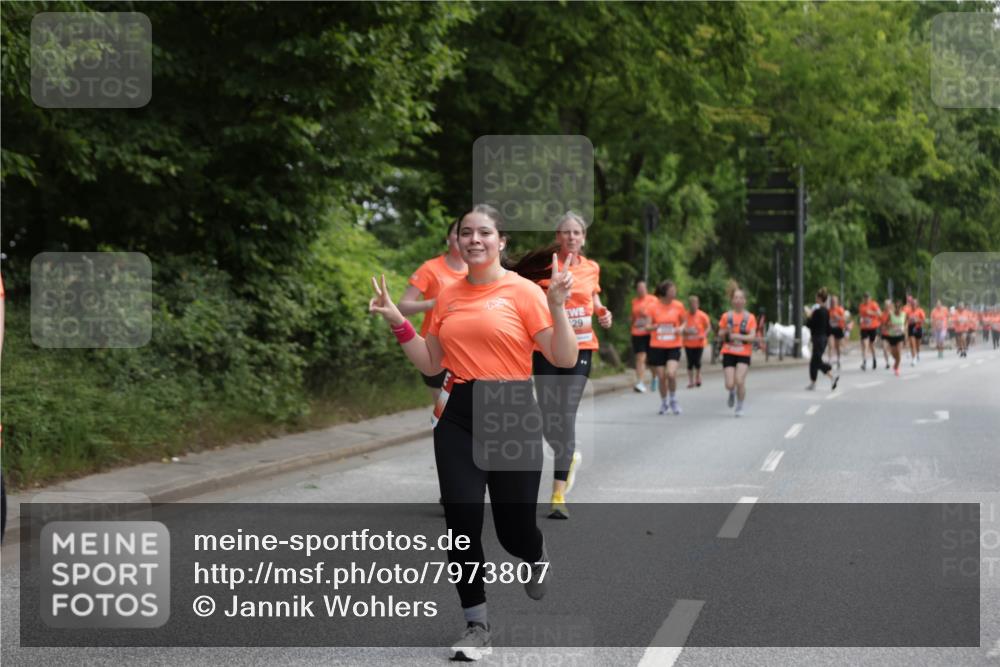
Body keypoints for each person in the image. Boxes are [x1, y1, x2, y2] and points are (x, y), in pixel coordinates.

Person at [368, 204, 579, 661]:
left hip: (511, 412)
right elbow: (430, 362)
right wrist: (397, 321)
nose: (475, 239)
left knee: (512, 532)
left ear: (501, 241)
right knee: (461, 524)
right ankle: (476, 625)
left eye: (485, 232)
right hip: (458, 413)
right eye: (467, 233)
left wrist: (558, 307)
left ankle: (535, 553)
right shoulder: (446, 295)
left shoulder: (523, 292)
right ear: (458, 241)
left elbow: (562, 357)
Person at [529, 211, 611, 520]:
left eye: (576, 233)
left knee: (565, 414)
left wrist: (603, 313)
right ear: (557, 236)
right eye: (565, 233)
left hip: (582, 348)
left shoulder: (591, 268)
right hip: (548, 347)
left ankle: (558, 494)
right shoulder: (542, 267)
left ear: (584, 238)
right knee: (549, 418)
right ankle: (570, 455)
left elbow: (593, 298)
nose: (571, 238)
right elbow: (531, 303)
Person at [398, 219, 469, 402]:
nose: (462, 236)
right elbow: (402, 307)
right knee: (443, 410)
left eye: (466, 232)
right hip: (434, 349)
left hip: (468, 349)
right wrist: (433, 303)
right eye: (457, 232)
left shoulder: (477, 271)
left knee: (466, 410)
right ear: (448, 238)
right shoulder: (430, 268)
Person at [645, 280, 687, 415]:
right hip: (657, 346)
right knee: (662, 377)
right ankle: (664, 402)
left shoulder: (679, 306)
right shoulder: (652, 307)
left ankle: (673, 399)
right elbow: (647, 326)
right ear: (664, 292)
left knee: (671, 374)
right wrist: (655, 326)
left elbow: (685, 321)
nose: (674, 292)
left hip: (673, 345)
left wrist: (680, 328)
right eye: (672, 290)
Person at [719, 283, 756, 417]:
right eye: (735, 298)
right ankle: (732, 392)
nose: (738, 300)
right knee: (729, 384)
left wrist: (738, 336)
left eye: (741, 298)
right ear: (732, 300)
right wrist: (725, 332)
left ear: (744, 301)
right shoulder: (726, 316)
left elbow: (752, 337)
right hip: (728, 351)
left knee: (739, 380)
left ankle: (740, 406)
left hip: (743, 352)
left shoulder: (750, 318)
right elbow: (720, 333)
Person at [806, 288, 840, 391]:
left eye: (817, 296)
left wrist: (808, 315)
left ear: (820, 298)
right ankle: (814, 382)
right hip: (823, 338)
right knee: (814, 361)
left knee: (816, 361)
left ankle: (830, 371)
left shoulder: (817, 312)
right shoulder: (826, 311)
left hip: (818, 338)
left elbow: (810, 325)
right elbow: (828, 328)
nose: (815, 298)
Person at [630, 279, 658, 393]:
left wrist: (646, 314)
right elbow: (633, 317)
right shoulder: (634, 301)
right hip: (637, 332)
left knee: (651, 361)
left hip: (650, 333)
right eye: (639, 288)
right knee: (640, 357)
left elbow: (658, 315)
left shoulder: (653, 300)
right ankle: (640, 382)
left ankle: (655, 377)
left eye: (643, 287)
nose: (641, 289)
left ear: (646, 289)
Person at [682, 295, 711, 389]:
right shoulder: (685, 316)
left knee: (697, 361)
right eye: (691, 304)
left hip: (699, 342)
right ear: (689, 305)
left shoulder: (702, 315)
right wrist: (685, 330)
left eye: (695, 304)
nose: (693, 306)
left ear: (698, 304)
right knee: (690, 362)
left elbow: (708, 327)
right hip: (688, 343)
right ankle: (691, 381)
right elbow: (680, 327)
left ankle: (698, 377)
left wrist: (704, 334)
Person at [858, 292, 882, 371]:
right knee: (865, 345)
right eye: (865, 297)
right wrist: (861, 320)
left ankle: (874, 359)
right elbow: (861, 316)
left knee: (871, 345)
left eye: (867, 297)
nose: (866, 299)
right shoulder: (861, 306)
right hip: (864, 327)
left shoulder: (874, 304)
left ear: (870, 298)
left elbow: (880, 314)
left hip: (873, 327)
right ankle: (864, 362)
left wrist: (871, 312)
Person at [884, 300, 906, 376]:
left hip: (900, 336)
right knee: (893, 354)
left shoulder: (904, 314)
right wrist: (889, 325)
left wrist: (904, 329)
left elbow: (906, 323)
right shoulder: (891, 315)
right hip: (892, 336)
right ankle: (896, 362)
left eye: (899, 308)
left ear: (901, 308)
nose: (898, 309)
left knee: (899, 353)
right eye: (896, 307)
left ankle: (896, 368)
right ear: (895, 308)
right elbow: (885, 324)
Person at [828, 294, 847, 369]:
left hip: (838, 329)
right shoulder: (828, 310)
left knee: (837, 346)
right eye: (832, 301)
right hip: (831, 329)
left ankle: (838, 359)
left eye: (834, 301)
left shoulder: (840, 309)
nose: (833, 302)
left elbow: (845, 319)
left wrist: (838, 317)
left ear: (837, 302)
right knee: (830, 345)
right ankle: (830, 361)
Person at [906, 298, 926, 366]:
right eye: (912, 303)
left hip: (918, 328)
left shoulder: (920, 311)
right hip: (911, 328)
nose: (913, 304)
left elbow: (923, 320)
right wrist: (908, 322)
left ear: (917, 304)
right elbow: (906, 319)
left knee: (917, 345)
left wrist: (917, 320)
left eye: (915, 303)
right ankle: (913, 359)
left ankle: (917, 354)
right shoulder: (908, 311)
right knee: (912, 344)